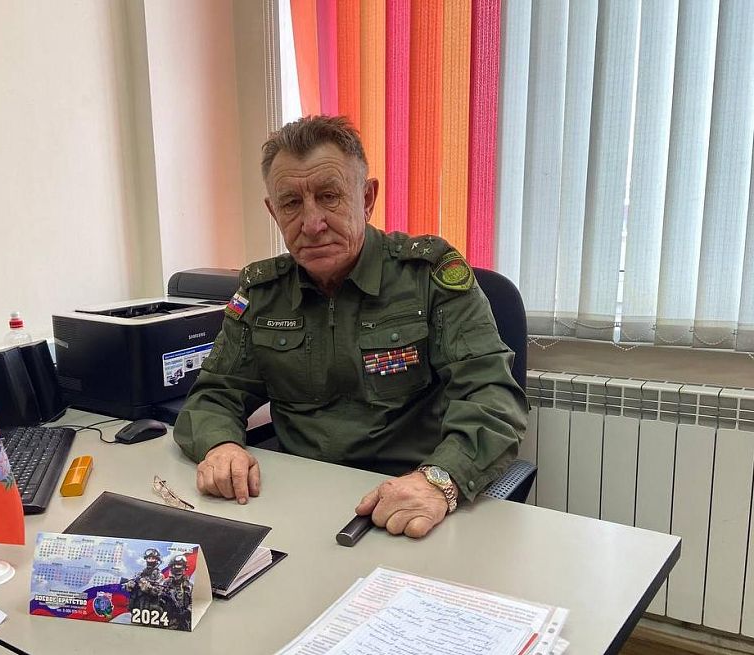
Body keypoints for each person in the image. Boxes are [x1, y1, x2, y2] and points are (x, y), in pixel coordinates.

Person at [174, 115, 528, 538]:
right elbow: (215, 394)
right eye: (291, 203)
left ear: (367, 198)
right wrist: (221, 445)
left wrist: (439, 480)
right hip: (295, 502)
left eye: (329, 197)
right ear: (273, 211)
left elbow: (492, 398)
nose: (312, 223)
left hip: (411, 499)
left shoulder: (427, 277)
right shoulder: (263, 293)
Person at [123, 548, 166, 614]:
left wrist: (147, 587)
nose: (150, 560)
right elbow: (128, 587)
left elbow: (158, 592)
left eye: (153, 558)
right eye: (149, 558)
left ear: (157, 560)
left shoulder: (159, 576)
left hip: (150, 610)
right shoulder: (140, 574)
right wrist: (129, 585)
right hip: (136, 608)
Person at [162, 554, 193, 630]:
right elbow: (158, 600)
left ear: (184, 568)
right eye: (176, 566)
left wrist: (188, 611)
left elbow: (194, 602)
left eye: (181, 566)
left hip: (185, 621)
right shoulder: (166, 583)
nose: (178, 569)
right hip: (168, 620)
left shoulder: (189, 585)